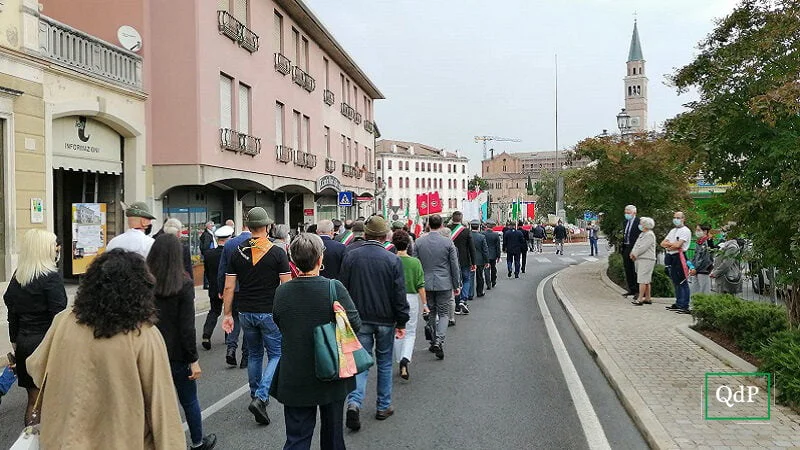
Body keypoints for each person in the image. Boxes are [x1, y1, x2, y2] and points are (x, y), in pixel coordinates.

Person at [26, 249, 186, 449]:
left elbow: (36, 369)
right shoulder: (143, 335)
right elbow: (162, 408)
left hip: (63, 440)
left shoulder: (64, 321)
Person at [271, 233, 362, 450]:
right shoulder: (333, 287)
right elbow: (355, 324)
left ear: (292, 261)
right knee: (332, 437)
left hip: (295, 372)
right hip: (330, 368)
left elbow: (279, 321)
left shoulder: (282, 291)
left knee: (297, 438)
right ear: (320, 259)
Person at [222, 207, 292, 425]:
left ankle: (254, 394)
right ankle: (261, 397)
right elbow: (286, 286)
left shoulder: (237, 252)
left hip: (245, 311)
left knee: (253, 354)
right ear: (267, 226)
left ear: (249, 227)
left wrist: (227, 314)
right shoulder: (278, 252)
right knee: (276, 354)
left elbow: (228, 286)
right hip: (269, 311)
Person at [147, 235, 217, 450]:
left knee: (152, 403)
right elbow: (187, 327)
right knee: (189, 400)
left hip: (150, 352)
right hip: (177, 353)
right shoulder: (183, 283)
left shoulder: (145, 282)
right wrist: (193, 359)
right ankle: (197, 442)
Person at [340, 215, 409, 431]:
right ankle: (383, 406)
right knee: (385, 362)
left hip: (359, 319)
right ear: (383, 236)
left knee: (360, 363)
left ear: (366, 234)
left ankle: (354, 402)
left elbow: (343, 289)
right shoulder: (392, 259)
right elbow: (399, 294)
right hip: (385, 319)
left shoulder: (351, 256)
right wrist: (402, 320)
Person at [3, 229, 67, 425]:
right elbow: (60, 316)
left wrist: (15, 342)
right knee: (51, 400)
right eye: (54, 244)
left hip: (24, 343)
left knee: (33, 399)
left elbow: (11, 314)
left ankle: (29, 439)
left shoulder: (18, 277)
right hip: (47, 344)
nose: (57, 248)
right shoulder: (50, 278)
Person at [415, 214, 462, 356]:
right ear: (442, 225)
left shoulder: (419, 242)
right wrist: (456, 284)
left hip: (426, 282)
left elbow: (416, 264)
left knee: (431, 311)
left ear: (428, 224)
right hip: (444, 282)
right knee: (443, 313)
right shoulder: (448, 243)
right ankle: (439, 340)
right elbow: (454, 265)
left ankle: (434, 340)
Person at [391, 230, 426, 380]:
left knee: (397, 330)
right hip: (411, 297)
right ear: (408, 245)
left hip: (393, 298)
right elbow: (420, 285)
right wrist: (425, 303)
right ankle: (405, 358)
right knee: (410, 331)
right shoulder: (415, 262)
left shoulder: (390, 260)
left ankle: (399, 359)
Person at [217, 223, 250, 369]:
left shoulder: (229, 244)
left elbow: (222, 269)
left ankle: (231, 348)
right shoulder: (258, 243)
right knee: (248, 323)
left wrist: (221, 289)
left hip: (233, 288)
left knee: (234, 319)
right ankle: (245, 356)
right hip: (249, 289)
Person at [202, 225, 233, 350]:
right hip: (228, 287)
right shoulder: (231, 254)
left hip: (214, 287)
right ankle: (229, 337)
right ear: (228, 238)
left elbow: (207, 272)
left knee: (214, 311)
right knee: (229, 312)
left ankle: (206, 334)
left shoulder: (209, 254)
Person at [661, 211, 692, 314]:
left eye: (678, 218)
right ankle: (678, 302)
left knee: (682, 280)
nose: (676, 219)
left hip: (680, 256)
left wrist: (669, 244)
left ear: (683, 219)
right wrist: (671, 245)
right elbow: (662, 243)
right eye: (675, 217)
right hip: (671, 256)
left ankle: (684, 304)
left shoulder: (685, 231)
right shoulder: (673, 231)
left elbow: (678, 245)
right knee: (675, 280)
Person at [449, 211, 476, 315]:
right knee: (466, 280)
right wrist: (473, 262)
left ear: (452, 218)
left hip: (451, 261)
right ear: (461, 219)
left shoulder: (446, 231)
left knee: (455, 283)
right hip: (464, 260)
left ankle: (456, 305)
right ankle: (463, 300)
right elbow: (471, 248)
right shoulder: (466, 231)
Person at [629, 217, 656, 306]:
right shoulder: (642, 234)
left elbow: (643, 247)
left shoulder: (649, 234)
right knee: (646, 280)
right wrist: (632, 253)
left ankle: (640, 298)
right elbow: (637, 245)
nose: (639, 225)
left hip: (647, 259)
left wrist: (635, 254)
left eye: (641, 223)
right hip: (640, 259)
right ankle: (648, 298)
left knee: (642, 279)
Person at [620, 205, 642, 299]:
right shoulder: (625, 222)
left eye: (628, 213)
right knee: (627, 268)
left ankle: (638, 291)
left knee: (635, 270)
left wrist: (636, 250)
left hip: (635, 247)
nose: (626, 214)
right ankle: (631, 289)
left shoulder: (639, 222)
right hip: (626, 246)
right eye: (625, 212)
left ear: (634, 213)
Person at [690, 224, 715, 294]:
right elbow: (695, 256)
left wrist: (696, 268)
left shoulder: (708, 242)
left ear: (705, 231)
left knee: (704, 291)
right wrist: (692, 267)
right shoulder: (699, 242)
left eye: (698, 230)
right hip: (696, 270)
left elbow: (705, 258)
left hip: (703, 270)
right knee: (695, 291)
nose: (696, 232)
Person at [470, 220, 489, 297]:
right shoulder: (481, 237)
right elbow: (485, 250)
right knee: (480, 277)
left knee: (470, 277)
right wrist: (486, 261)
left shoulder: (468, 235)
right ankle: (479, 292)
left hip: (470, 259)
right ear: (479, 227)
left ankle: (470, 294)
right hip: (479, 259)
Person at [483, 220, 502, 290]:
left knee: (486, 269)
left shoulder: (483, 234)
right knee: (493, 268)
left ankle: (488, 283)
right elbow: (498, 246)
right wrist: (498, 256)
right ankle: (493, 280)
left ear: (487, 226)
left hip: (485, 254)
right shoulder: (496, 235)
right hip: (493, 254)